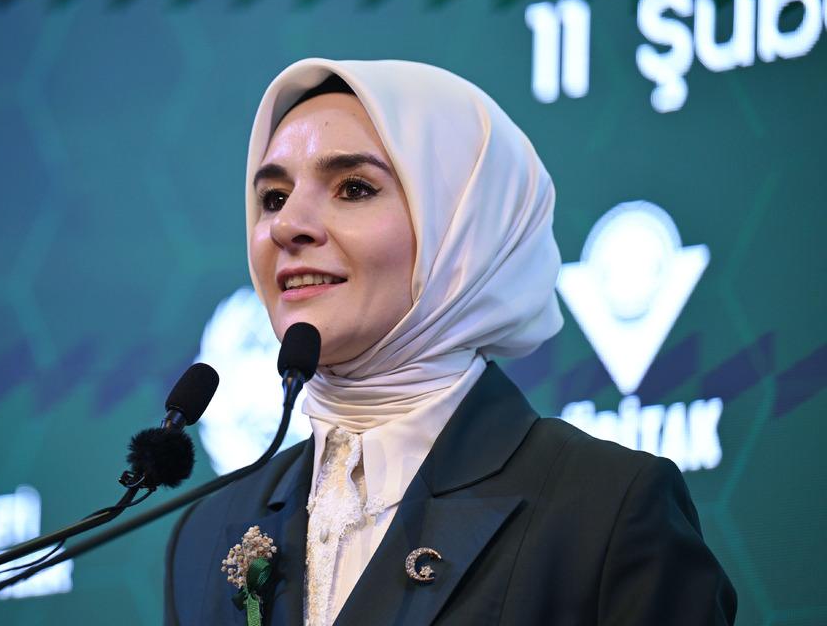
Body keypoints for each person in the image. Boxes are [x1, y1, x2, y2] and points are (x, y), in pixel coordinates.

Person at [164, 58, 736, 625]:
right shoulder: (206, 536)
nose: (287, 226)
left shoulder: (606, 511)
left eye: (353, 188)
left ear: (464, 230)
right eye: (273, 197)